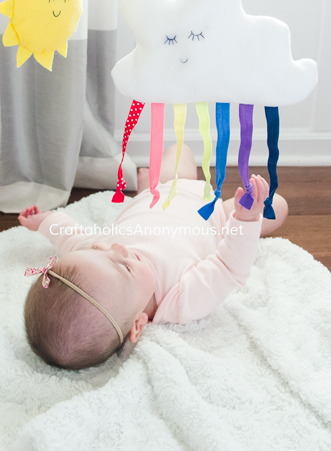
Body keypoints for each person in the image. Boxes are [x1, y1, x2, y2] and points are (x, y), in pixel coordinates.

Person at [19, 144, 288, 370]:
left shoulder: (96, 259)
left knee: (180, 149)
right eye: (125, 267)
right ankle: (245, 211)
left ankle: (144, 191)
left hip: (162, 192)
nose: (117, 248)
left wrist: (45, 221)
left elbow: (71, 237)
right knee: (277, 207)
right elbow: (228, 268)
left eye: (99, 249)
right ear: (138, 324)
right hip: (217, 217)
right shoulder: (181, 299)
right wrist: (245, 219)